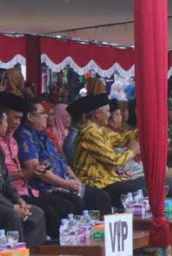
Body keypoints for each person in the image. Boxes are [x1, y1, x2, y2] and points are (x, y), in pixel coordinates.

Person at [16, 98, 113, 238]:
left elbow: (63, 162)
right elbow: (38, 171)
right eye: (43, 113)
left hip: (65, 181)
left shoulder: (45, 134)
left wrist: (75, 179)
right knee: (72, 204)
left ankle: (101, 239)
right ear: (30, 117)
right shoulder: (24, 136)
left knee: (100, 196)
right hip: (47, 186)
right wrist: (66, 184)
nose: (47, 117)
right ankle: (73, 244)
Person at [72, 94, 147, 210]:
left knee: (146, 187)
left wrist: (144, 129)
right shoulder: (90, 133)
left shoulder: (100, 130)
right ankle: (137, 225)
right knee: (141, 193)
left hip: (108, 179)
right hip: (95, 182)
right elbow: (114, 160)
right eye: (107, 111)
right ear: (97, 114)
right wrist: (132, 151)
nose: (109, 114)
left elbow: (121, 139)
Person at [0, 108, 46, 248]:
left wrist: (19, 201)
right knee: (11, 215)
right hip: (3, 204)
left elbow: (7, 181)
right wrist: (12, 207)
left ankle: (30, 254)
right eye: (5, 121)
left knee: (36, 212)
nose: (7, 125)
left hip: (4, 200)